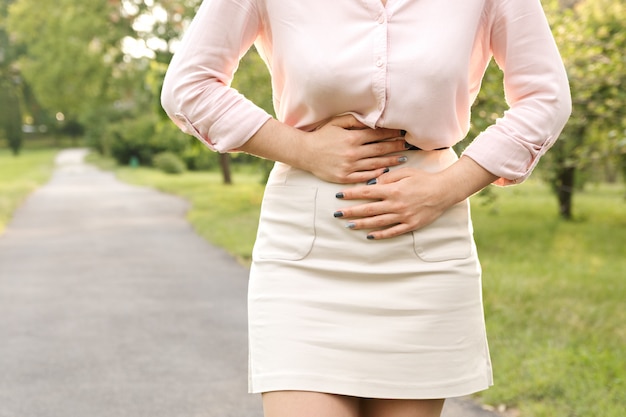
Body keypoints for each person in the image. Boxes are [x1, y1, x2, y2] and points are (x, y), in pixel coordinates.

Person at [161, 0, 571, 416]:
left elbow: (546, 98)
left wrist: (449, 187)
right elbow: (189, 86)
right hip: (307, 254)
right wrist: (301, 147)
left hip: (424, 245)